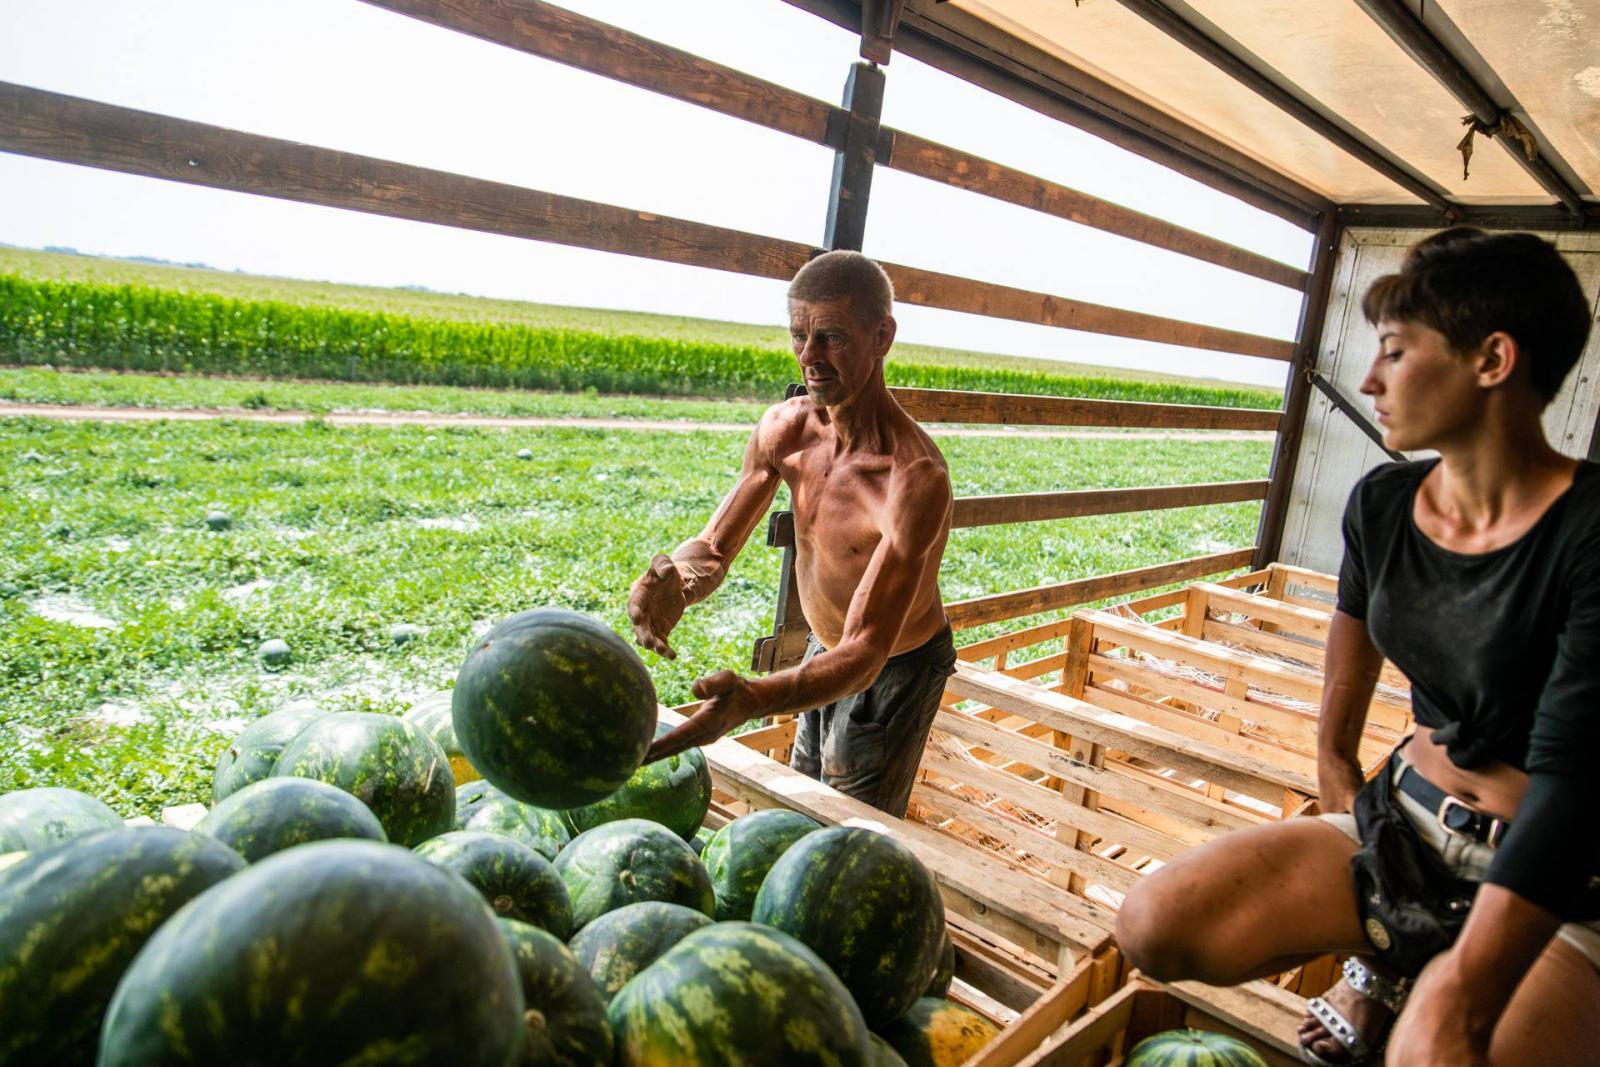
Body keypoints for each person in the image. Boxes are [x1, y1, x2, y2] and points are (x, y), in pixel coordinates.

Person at [1112, 229, 1600, 1066]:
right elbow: (1351, 657)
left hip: (1559, 875)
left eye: (1396, 352)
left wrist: (1460, 991)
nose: (1369, 379)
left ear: (1492, 360)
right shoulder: (1383, 503)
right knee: (1155, 922)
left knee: (1428, 1052)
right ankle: (1382, 964)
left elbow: (1572, 782)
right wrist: (1341, 783)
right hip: (1408, 824)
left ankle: (1424, 979)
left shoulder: (1588, 531)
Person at [626, 249, 956, 817]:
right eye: (799, 334)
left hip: (894, 666)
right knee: (804, 796)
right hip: (823, 648)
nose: (809, 356)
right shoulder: (786, 430)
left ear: (882, 337)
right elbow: (714, 548)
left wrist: (754, 699)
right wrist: (676, 581)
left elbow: (865, 652)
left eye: (830, 336)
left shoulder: (913, 478)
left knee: (850, 824)